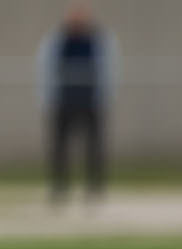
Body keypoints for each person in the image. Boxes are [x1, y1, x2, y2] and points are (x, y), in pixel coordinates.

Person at [36, 6, 115, 205]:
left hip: (90, 101)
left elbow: (109, 70)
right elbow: (46, 69)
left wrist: (104, 97)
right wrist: (48, 98)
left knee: (94, 148)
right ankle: (60, 188)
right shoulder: (56, 42)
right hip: (63, 101)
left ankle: (94, 189)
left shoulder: (98, 42)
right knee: (59, 149)